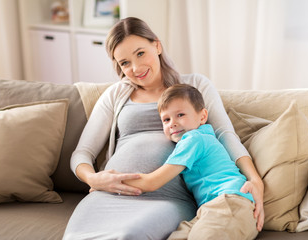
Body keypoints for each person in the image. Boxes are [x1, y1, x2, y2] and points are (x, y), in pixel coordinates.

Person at [63, 17, 264, 240]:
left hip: (166, 197)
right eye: (124, 63)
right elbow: (82, 153)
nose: (136, 68)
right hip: (109, 193)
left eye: (140, 53)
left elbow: (225, 134)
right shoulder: (115, 95)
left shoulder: (194, 86)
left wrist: (255, 179)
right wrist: (94, 179)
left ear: (157, 45)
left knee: (128, 236)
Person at [123, 83, 258, 240]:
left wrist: (110, 180)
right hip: (210, 209)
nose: (172, 123)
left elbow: (151, 182)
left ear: (202, 116)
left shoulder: (194, 139)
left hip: (231, 202)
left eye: (180, 115)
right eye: (166, 119)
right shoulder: (202, 137)